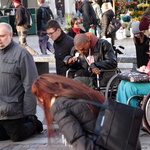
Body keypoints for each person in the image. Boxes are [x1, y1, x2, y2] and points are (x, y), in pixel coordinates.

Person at [32, 73, 106, 149]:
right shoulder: (77, 93)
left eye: (39, 96)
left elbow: (80, 143)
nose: (39, 100)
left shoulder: (59, 107)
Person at [0, 23, 43, 142]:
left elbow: (31, 85)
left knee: (17, 137)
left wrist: (29, 113)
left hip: (14, 111)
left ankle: (34, 124)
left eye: (2, 36)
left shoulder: (22, 54)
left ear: (10, 35)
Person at [117, 17, 150, 107]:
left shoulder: (147, 41)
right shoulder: (138, 41)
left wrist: (147, 70)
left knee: (129, 87)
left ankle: (132, 112)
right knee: (123, 83)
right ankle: (121, 107)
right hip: (144, 68)